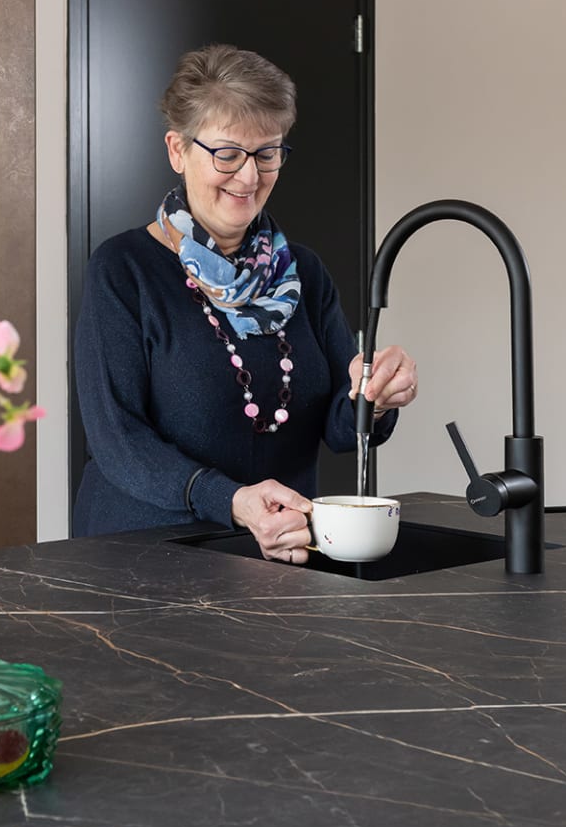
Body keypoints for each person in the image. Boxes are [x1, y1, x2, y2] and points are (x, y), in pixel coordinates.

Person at [72, 44, 418, 563]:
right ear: (177, 150)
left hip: (275, 554)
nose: (250, 177)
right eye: (227, 153)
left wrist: (374, 395)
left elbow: (340, 429)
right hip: (144, 557)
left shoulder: (302, 274)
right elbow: (118, 441)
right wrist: (232, 501)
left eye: (267, 153)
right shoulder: (123, 271)